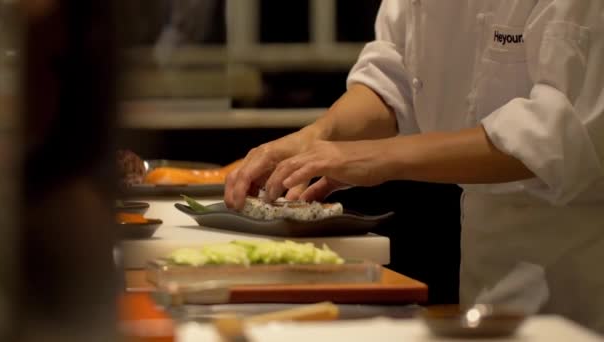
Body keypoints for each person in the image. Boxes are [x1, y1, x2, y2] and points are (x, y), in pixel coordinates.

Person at [224, 0, 604, 332]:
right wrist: (319, 136)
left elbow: (557, 133)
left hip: (577, 273)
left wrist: (378, 158)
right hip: (485, 261)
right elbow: (395, 77)